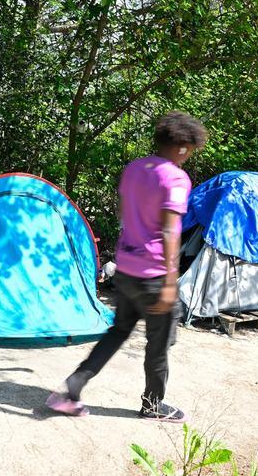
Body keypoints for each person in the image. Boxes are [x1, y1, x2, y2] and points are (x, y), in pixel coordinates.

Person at [46, 111, 207, 422]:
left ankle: (73, 386)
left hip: (127, 269)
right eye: (191, 150)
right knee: (159, 344)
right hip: (154, 276)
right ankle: (152, 405)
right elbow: (170, 229)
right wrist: (171, 282)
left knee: (118, 331)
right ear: (182, 146)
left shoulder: (135, 169)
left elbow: (123, 212)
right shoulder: (175, 178)